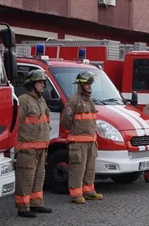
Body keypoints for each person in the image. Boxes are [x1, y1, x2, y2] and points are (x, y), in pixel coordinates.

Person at [60, 70, 103, 204]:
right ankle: (76, 194)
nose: (89, 86)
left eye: (90, 84)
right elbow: (65, 121)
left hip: (91, 142)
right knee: (78, 169)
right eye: (87, 84)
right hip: (78, 143)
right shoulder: (74, 101)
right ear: (80, 85)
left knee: (90, 169)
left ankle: (89, 192)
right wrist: (75, 132)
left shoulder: (89, 101)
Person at [14, 70, 53, 218]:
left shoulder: (41, 101)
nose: (43, 85)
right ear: (31, 85)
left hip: (41, 147)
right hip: (27, 149)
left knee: (39, 177)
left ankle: (36, 203)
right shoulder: (24, 100)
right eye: (40, 82)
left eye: (43, 82)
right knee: (26, 178)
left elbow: (46, 120)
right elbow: (16, 124)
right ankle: (23, 207)